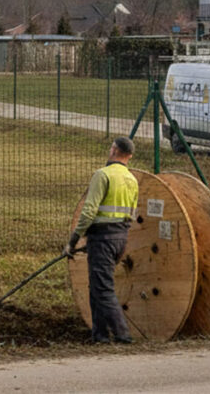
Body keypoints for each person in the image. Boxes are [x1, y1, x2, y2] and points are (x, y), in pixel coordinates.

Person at [64, 136, 138, 343]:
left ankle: (123, 335)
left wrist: (73, 241)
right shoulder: (132, 179)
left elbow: (89, 211)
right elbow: (132, 212)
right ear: (129, 156)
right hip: (119, 239)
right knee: (96, 285)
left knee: (103, 288)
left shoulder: (102, 175)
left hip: (103, 239)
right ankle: (100, 335)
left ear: (114, 150)